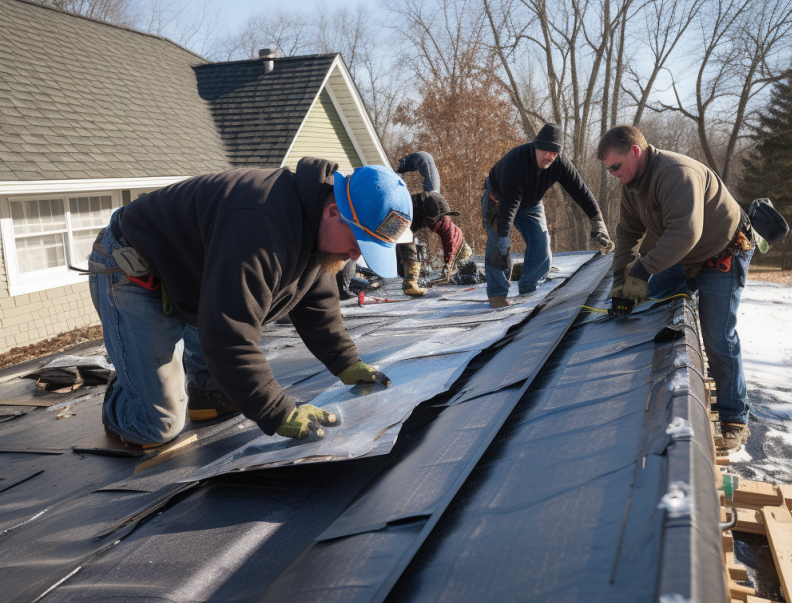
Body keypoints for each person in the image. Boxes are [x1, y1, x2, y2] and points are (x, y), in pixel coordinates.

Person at [86, 159, 412, 447]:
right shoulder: (260, 227)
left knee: (224, 395)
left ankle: (165, 378)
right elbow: (227, 336)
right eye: (358, 242)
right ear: (333, 211)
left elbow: (317, 304)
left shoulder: (316, 222)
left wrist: (346, 361)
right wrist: (277, 411)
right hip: (135, 269)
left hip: (194, 281)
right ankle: (127, 387)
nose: (357, 256)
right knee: (156, 426)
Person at [597, 125, 754, 453]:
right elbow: (628, 234)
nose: (613, 175)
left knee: (718, 337)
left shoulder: (675, 173)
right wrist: (621, 286)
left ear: (635, 152)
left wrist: (642, 269)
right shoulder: (633, 184)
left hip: (722, 254)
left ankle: (734, 418)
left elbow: (685, 233)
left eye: (615, 166)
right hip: (684, 258)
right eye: (608, 170)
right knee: (653, 303)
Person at [483, 123, 614, 308]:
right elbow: (510, 204)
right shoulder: (517, 161)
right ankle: (497, 295)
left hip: (531, 204)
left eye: (554, 153)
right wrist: (504, 237)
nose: (550, 157)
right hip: (499, 198)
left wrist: (597, 220)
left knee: (541, 243)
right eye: (545, 151)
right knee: (498, 244)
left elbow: (581, 191)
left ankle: (529, 289)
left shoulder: (559, 163)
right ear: (536, 146)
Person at [395, 151, 472, 297]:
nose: (439, 221)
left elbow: (426, 159)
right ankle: (410, 283)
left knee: (455, 236)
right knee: (405, 253)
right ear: (429, 216)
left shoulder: (436, 201)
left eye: (440, 218)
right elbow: (405, 243)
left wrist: (449, 264)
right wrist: (401, 168)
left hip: (427, 201)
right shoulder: (405, 210)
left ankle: (465, 256)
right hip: (405, 221)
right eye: (436, 219)